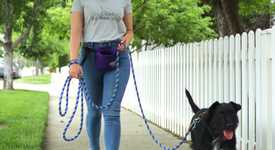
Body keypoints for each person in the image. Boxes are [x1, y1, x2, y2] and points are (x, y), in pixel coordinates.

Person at [69, 0, 133, 149]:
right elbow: (76, 31)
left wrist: (126, 40)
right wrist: (73, 61)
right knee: (94, 111)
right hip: (90, 57)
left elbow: (130, 30)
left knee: (111, 113)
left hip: (117, 56)